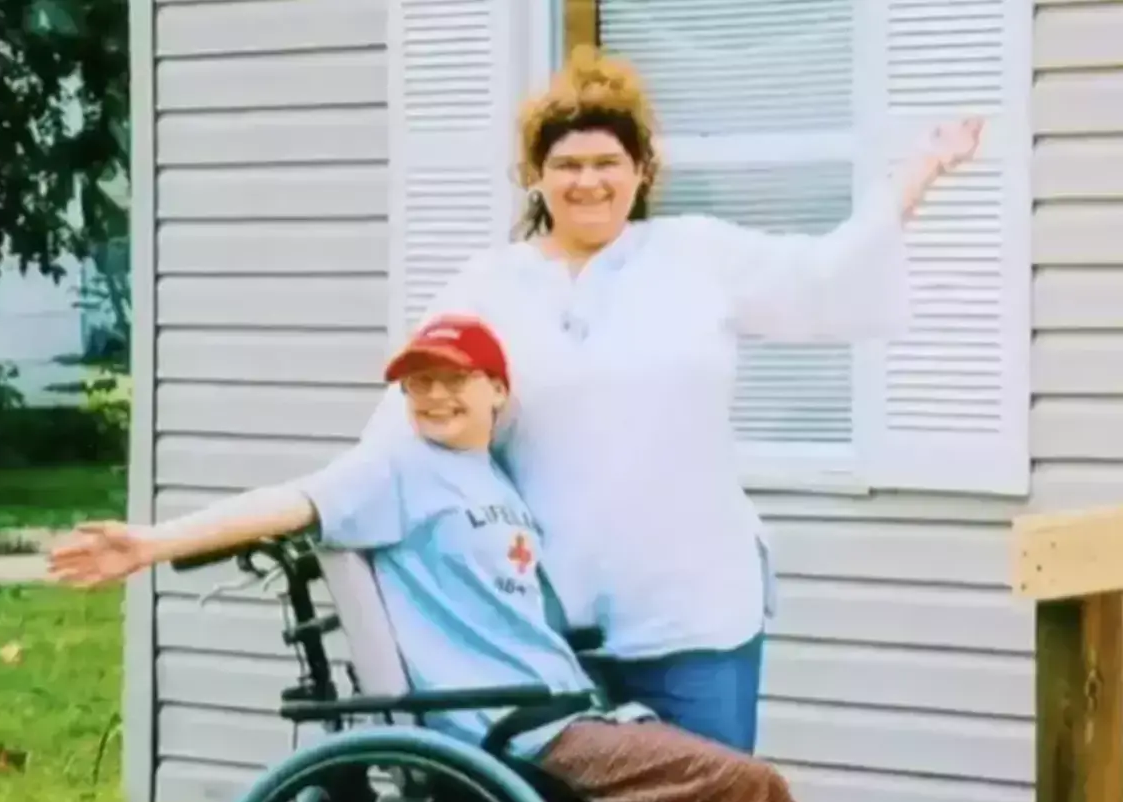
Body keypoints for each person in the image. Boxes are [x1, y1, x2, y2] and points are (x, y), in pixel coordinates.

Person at [55, 46, 984, 754]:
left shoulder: (697, 257)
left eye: (607, 162)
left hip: (696, 605)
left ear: (642, 169)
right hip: (550, 629)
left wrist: (916, 175)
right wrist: (159, 540)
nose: (588, 180)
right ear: (535, 177)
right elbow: (381, 458)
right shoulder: (488, 283)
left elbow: (828, 272)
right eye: (566, 163)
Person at [50, 315, 818, 802]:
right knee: (755, 793)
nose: (435, 395)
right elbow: (290, 500)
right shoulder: (396, 468)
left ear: (497, 391)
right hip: (515, 727)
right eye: (420, 382)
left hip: (564, 709)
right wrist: (151, 543)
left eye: (454, 378)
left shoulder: (496, 478)